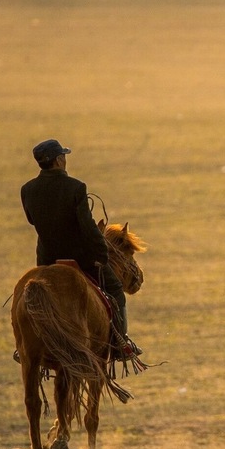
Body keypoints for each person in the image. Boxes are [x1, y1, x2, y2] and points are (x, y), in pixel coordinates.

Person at [20, 139, 141, 359]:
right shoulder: (76, 188)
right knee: (114, 289)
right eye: (63, 156)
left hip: (46, 259)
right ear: (59, 160)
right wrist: (101, 253)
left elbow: (31, 220)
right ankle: (120, 345)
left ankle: (23, 346)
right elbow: (87, 227)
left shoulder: (27, 190)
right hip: (80, 258)